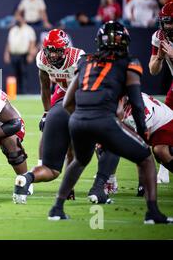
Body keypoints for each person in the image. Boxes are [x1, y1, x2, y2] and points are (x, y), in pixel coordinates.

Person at [48, 21, 172, 224]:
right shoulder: (129, 63)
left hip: (78, 118)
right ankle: (153, 213)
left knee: (80, 160)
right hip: (104, 118)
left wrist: (80, 118)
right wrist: (143, 133)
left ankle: (56, 208)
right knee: (146, 158)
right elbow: (137, 103)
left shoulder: (84, 60)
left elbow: (68, 100)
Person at [13, 29, 85, 204]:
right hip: (62, 93)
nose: (52, 54)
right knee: (48, 127)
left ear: (66, 49)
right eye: (49, 49)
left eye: (57, 50)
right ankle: (42, 165)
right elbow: (45, 87)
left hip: (82, 95)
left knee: (78, 144)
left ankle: (105, 180)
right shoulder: (42, 59)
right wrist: (46, 112)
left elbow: (86, 86)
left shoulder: (78, 58)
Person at [148, 1, 173, 183]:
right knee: (163, 128)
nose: (168, 25)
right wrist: (160, 57)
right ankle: (163, 173)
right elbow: (153, 70)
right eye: (166, 21)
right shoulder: (159, 36)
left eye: (171, 21)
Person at [3, 10, 37, 94]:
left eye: (19, 17)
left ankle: (24, 91)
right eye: (17, 17)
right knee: (15, 73)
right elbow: (9, 42)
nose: (17, 19)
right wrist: (6, 54)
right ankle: (16, 92)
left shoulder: (29, 29)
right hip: (14, 54)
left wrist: (30, 54)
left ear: (23, 18)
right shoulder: (13, 29)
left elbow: (32, 42)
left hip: (24, 55)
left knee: (23, 73)